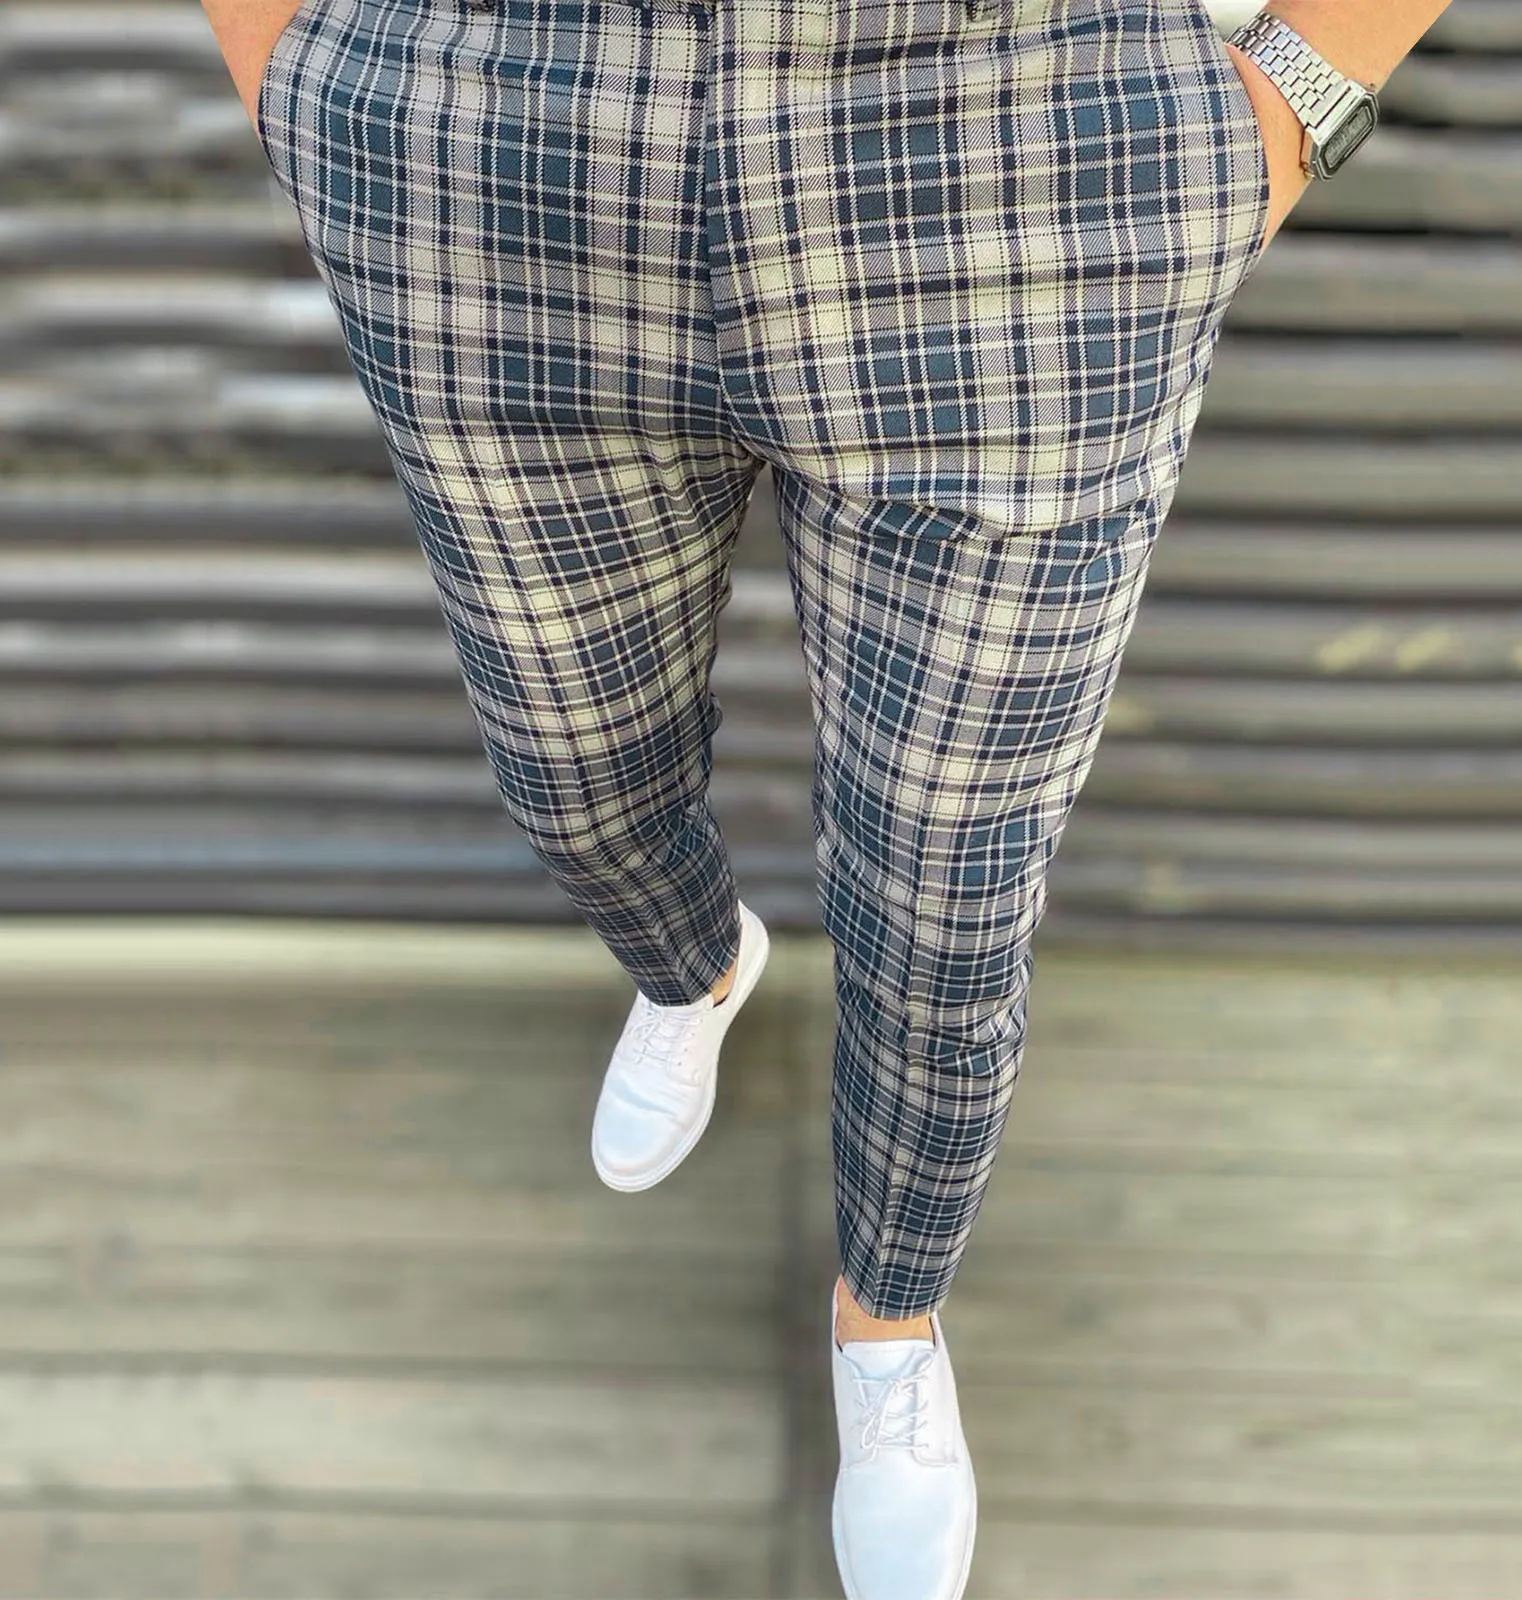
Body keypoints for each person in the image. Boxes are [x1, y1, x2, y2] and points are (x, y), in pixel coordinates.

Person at [206, 0, 1450, 1593]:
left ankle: (888, 1319)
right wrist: (288, 73)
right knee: (572, 778)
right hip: (488, 121)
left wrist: (1292, 96)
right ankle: (694, 968)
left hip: (1017, 134)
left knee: (945, 914)